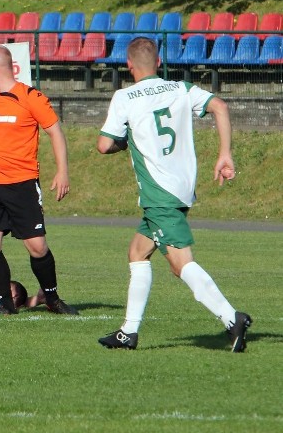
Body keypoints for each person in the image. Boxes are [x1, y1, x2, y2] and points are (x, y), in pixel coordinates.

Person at [96, 36, 252, 352]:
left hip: (158, 192)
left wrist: (123, 142)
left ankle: (230, 317)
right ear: (157, 63)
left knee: (180, 263)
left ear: (128, 65)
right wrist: (225, 154)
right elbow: (219, 106)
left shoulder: (125, 96)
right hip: (180, 188)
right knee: (138, 252)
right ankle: (128, 332)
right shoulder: (180, 88)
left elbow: (103, 144)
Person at [0, 45, 78, 316]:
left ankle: (52, 298)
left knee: (36, 246)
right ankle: (6, 304)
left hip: (22, 185)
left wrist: (62, 171)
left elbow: (55, 133)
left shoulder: (30, 97)